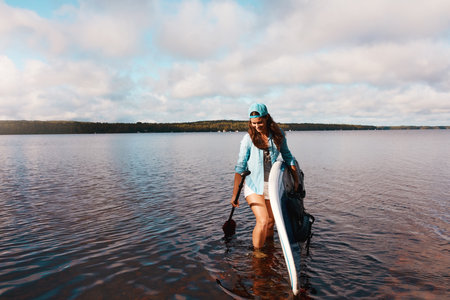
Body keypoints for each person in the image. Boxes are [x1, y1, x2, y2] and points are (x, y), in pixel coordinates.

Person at [231, 103, 299, 256]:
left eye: (259, 122)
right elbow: (240, 167)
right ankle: (257, 254)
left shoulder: (277, 135)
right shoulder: (248, 139)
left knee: (270, 223)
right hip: (253, 185)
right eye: (253, 123)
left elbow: (288, 157)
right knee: (262, 220)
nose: (257, 126)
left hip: (272, 185)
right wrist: (235, 194)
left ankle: (269, 249)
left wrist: (296, 180)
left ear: (267, 118)